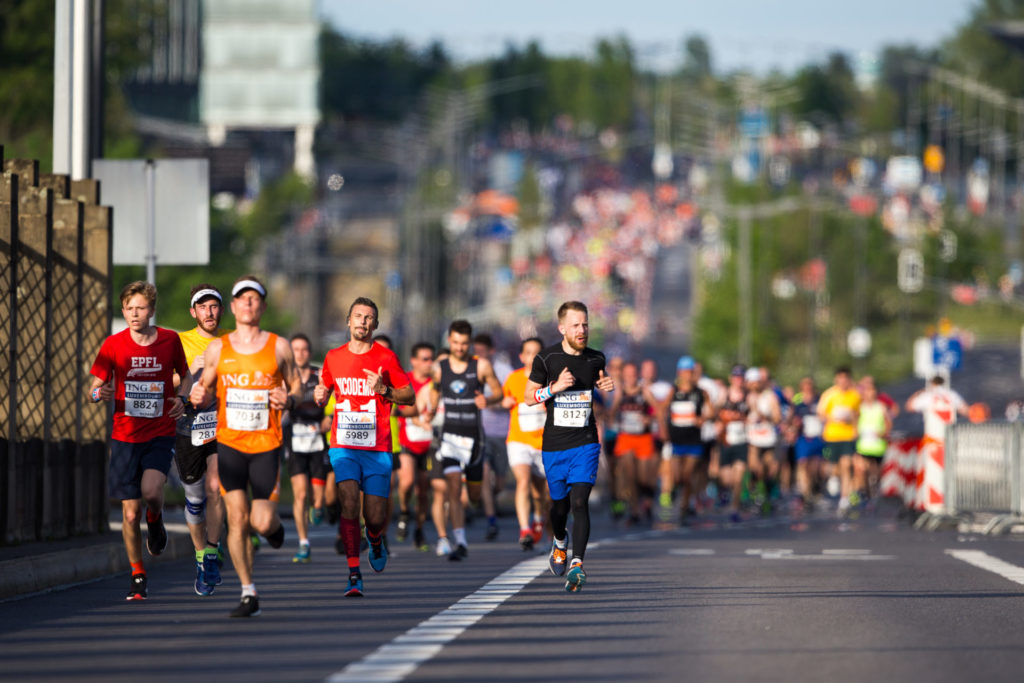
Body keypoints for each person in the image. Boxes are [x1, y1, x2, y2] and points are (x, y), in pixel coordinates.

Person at [190, 276, 300, 617]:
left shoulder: (278, 346)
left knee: (261, 521)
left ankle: (276, 529)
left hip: (266, 444)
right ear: (234, 307)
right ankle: (248, 591)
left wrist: (289, 398)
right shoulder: (218, 348)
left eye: (255, 299)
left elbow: (297, 386)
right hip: (230, 445)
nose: (248, 304)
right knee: (236, 519)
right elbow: (203, 388)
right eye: (242, 299)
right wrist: (197, 395)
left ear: (262, 307)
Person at [90, 281, 188, 601]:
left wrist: (182, 399)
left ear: (151, 310)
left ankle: (156, 518)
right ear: (123, 311)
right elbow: (94, 386)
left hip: (159, 432)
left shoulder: (170, 340)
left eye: (141, 308)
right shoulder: (113, 344)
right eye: (129, 308)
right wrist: (98, 393)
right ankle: (137, 574)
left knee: (151, 492)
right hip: (124, 436)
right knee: (129, 514)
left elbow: (184, 377)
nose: (135, 314)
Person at [314, 298, 414, 597]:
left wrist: (383, 390)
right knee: (348, 502)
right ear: (348, 321)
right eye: (358, 316)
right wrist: (320, 394)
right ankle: (354, 572)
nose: (363, 322)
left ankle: (374, 537)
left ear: (376, 325)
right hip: (343, 444)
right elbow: (325, 390)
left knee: (374, 515)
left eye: (369, 318)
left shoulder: (386, 357)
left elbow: (408, 395)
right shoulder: (333, 357)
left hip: (377, 447)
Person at [525, 301, 615, 592]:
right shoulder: (546, 358)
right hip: (554, 445)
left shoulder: (596, 359)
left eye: (585, 324)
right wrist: (555, 388)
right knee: (559, 507)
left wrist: (607, 389)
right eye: (576, 325)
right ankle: (560, 541)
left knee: (579, 502)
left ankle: (577, 563)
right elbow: (528, 397)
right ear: (562, 328)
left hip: (585, 443)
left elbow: (602, 388)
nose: (582, 330)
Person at [429, 320, 504, 561]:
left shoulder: (480, 366)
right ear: (449, 342)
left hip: (474, 439)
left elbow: (499, 391)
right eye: (455, 343)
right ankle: (459, 541)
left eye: (464, 344)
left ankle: (471, 511)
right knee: (452, 486)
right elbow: (433, 388)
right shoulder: (440, 367)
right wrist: (431, 408)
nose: (460, 348)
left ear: (469, 343)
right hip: (450, 436)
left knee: (472, 495)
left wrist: (488, 401)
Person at [174, 284, 226, 596]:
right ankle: (199, 555)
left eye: (214, 306)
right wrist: (188, 373)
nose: (209, 312)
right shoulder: (179, 342)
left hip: (222, 425)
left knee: (216, 487)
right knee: (195, 499)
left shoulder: (232, 341)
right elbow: (166, 382)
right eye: (202, 307)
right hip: (188, 427)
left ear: (222, 310)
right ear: (193, 312)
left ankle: (211, 551)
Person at [286, 333, 331, 563]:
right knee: (301, 494)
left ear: (310, 353)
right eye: (295, 349)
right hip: (295, 439)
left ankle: (320, 506)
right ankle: (304, 543)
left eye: (304, 349)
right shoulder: (285, 379)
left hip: (318, 440)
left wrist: (329, 418)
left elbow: (332, 401)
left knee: (318, 499)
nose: (300, 354)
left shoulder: (319, 377)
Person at [501, 337, 549, 550]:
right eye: (528, 352)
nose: (532, 357)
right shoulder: (514, 379)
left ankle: (538, 517)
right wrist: (505, 402)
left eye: (537, 352)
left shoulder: (551, 379)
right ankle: (524, 529)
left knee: (542, 493)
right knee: (523, 480)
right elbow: (504, 399)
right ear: (521, 356)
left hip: (545, 443)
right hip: (519, 440)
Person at [662, 356, 712, 525]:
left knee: (688, 475)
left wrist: (702, 418)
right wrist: (663, 429)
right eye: (684, 372)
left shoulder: (700, 392)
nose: (687, 375)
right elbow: (663, 409)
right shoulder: (673, 391)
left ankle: (684, 508)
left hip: (694, 441)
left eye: (690, 372)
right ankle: (677, 491)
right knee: (677, 477)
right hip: (677, 440)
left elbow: (711, 411)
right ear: (680, 373)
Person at [396, 342, 436, 550]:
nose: (429, 363)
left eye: (431, 359)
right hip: (408, 441)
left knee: (423, 491)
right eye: (424, 359)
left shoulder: (435, 383)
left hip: (429, 443)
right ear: (413, 361)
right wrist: (419, 418)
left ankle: (419, 530)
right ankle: (403, 511)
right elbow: (401, 409)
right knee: (407, 482)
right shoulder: (406, 381)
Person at [474, 333, 513, 541]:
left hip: (502, 433)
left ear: (491, 351)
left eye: (482, 351)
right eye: (476, 351)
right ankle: (491, 520)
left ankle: (488, 502)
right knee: (483, 472)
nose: (478, 355)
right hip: (480, 433)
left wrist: (489, 403)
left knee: (498, 482)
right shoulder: (471, 370)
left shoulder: (504, 372)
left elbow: (509, 400)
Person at [611, 362, 657, 524]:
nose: (630, 377)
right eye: (627, 374)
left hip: (643, 438)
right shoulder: (620, 392)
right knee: (630, 475)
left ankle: (648, 498)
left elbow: (658, 410)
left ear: (637, 375)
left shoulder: (644, 391)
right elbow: (612, 413)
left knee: (643, 478)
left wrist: (649, 419)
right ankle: (634, 510)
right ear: (623, 375)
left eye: (633, 374)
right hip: (625, 438)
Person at [818, 366, 861, 516]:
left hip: (848, 436)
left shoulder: (855, 395)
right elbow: (820, 414)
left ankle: (844, 498)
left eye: (846, 378)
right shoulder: (829, 394)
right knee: (833, 466)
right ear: (836, 379)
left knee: (847, 464)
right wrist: (833, 418)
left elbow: (857, 413)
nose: (843, 381)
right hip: (832, 435)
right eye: (840, 378)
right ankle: (833, 478)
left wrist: (854, 427)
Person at [716, 364, 751, 523]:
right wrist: (722, 418)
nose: (738, 380)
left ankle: (734, 508)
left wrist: (746, 419)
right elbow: (714, 412)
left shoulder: (749, 397)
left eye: (741, 377)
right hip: (727, 441)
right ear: (731, 379)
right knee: (726, 479)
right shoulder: (724, 394)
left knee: (738, 478)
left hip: (742, 442)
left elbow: (754, 416)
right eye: (736, 377)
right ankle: (725, 493)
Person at [746, 367, 781, 513]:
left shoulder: (770, 396)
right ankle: (755, 493)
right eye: (752, 382)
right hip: (753, 439)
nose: (755, 385)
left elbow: (777, 417)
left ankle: (767, 496)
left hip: (768, 438)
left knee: (768, 470)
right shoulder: (746, 397)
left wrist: (766, 417)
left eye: (757, 382)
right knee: (756, 468)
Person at [854, 379, 891, 506]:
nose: (869, 393)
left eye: (871, 390)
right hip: (864, 445)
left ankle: (875, 491)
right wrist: (855, 431)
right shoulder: (860, 407)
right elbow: (854, 420)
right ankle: (866, 495)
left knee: (875, 473)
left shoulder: (881, 407)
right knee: (863, 469)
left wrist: (883, 433)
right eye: (867, 390)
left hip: (877, 445)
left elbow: (888, 423)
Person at [791, 377, 824, 508]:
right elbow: (792, 416)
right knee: (802, 464)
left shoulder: (819, 399)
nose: (807, 388)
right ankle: (805, 494)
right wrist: (795, 424)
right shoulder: (798, 400)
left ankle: (814, 489)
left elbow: (825, 415)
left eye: (809, 385)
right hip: (803, 438)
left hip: (816, 438)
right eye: (804, 385)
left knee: (814, 468)